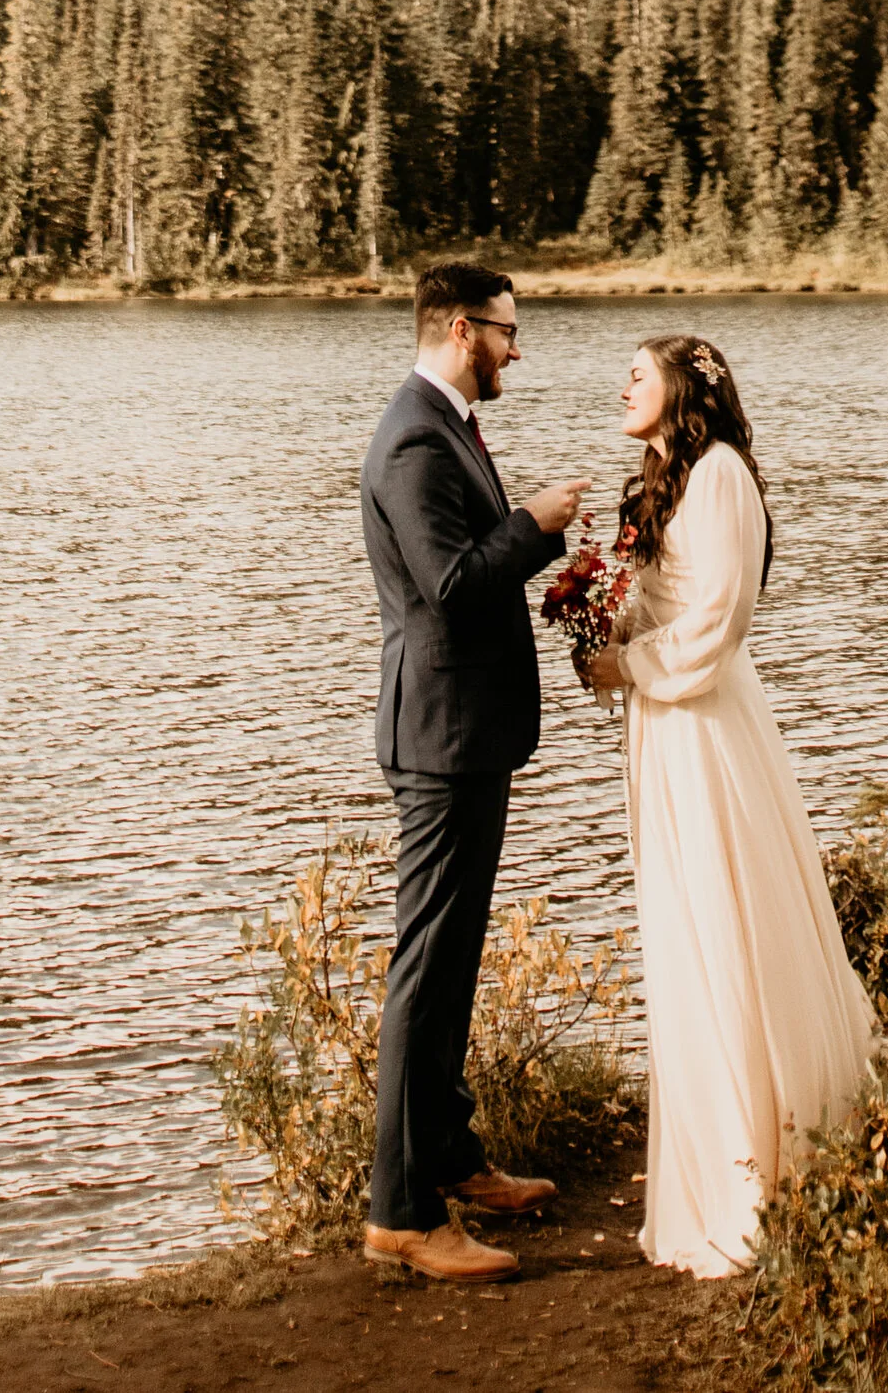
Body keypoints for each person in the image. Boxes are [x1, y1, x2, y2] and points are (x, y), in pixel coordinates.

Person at [582, 332, 875, 1277]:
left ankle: (769, 1162)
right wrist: (603, 625)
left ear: (681, 392)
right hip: (662, 733)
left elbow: (715, 624)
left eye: (638, 373)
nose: (623, 386)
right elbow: (660, 602)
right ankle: (716, 1156)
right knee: (681, 931)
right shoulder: (660, 479)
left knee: (726, 920)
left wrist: (625, 662)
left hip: (707, 726)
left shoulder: (719, 478)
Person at [358, 258, 589, 1282]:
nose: (514, 347)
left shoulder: (440, 424)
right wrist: (534, 529)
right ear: (459, 328)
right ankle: (401, 1214)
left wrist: (535, 554)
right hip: (441, 740)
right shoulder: (413, 437)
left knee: (450, 961)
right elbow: (449, 588)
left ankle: (450, 1161)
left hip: (468, 732)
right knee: (425, 967)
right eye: (504, 328)